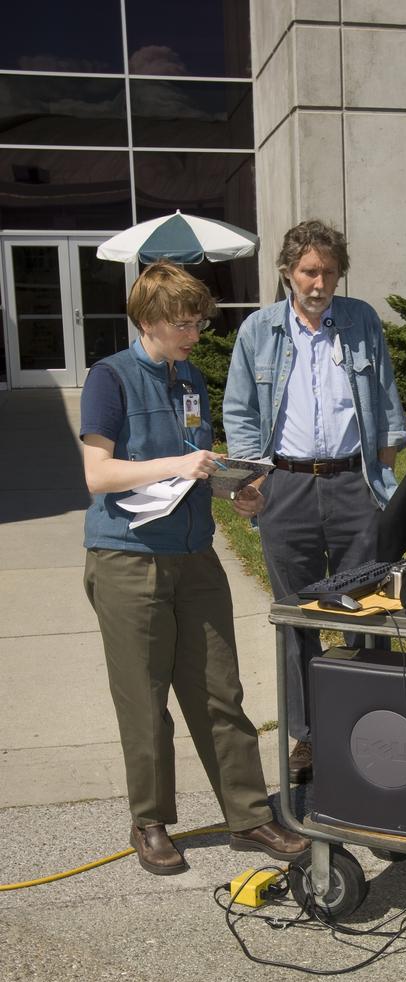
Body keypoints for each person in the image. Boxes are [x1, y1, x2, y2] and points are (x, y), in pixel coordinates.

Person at [80, 259, 310, 875]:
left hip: (194, 556)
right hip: (128, 559)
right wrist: (174, 468)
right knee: (144, 697)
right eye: (183, 324)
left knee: (219, 691)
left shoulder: (191, 381)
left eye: (199, 324)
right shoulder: (111, 378)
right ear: (149, 321)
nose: (193, 335)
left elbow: (191, 462)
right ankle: (150, 820)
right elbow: (98, 474)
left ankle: (248, 816)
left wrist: (232, 490)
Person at [223, 219, 406, 783]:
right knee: (297, 619)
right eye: (309, 271)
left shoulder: (360, 322)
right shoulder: (259, 332)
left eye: (328, 271)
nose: (319, 281)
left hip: (355, 486)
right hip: (288, 489)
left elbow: (386, 403)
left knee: (368, 614)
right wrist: (251, 481)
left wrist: (382, 474)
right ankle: (305, 738)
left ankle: (369, 725)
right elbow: (240, 413)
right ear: (287, 272)